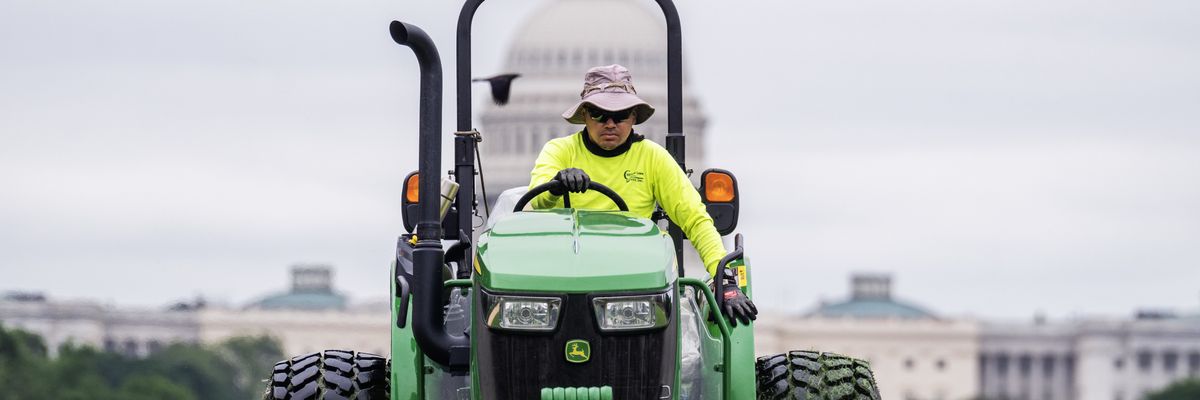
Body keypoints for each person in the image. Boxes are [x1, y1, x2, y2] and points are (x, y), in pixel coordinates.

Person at [528, 64, 757, 325]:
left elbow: (695, 218)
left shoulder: (653, 157)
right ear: (585, 115)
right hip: (562, 277)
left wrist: (724, 279)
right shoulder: (559, 151)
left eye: (620, 115)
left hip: (634, 282)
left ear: (634, 116)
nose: (610, 124)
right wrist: (557, 185)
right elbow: (537, 198)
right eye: (600, 114)